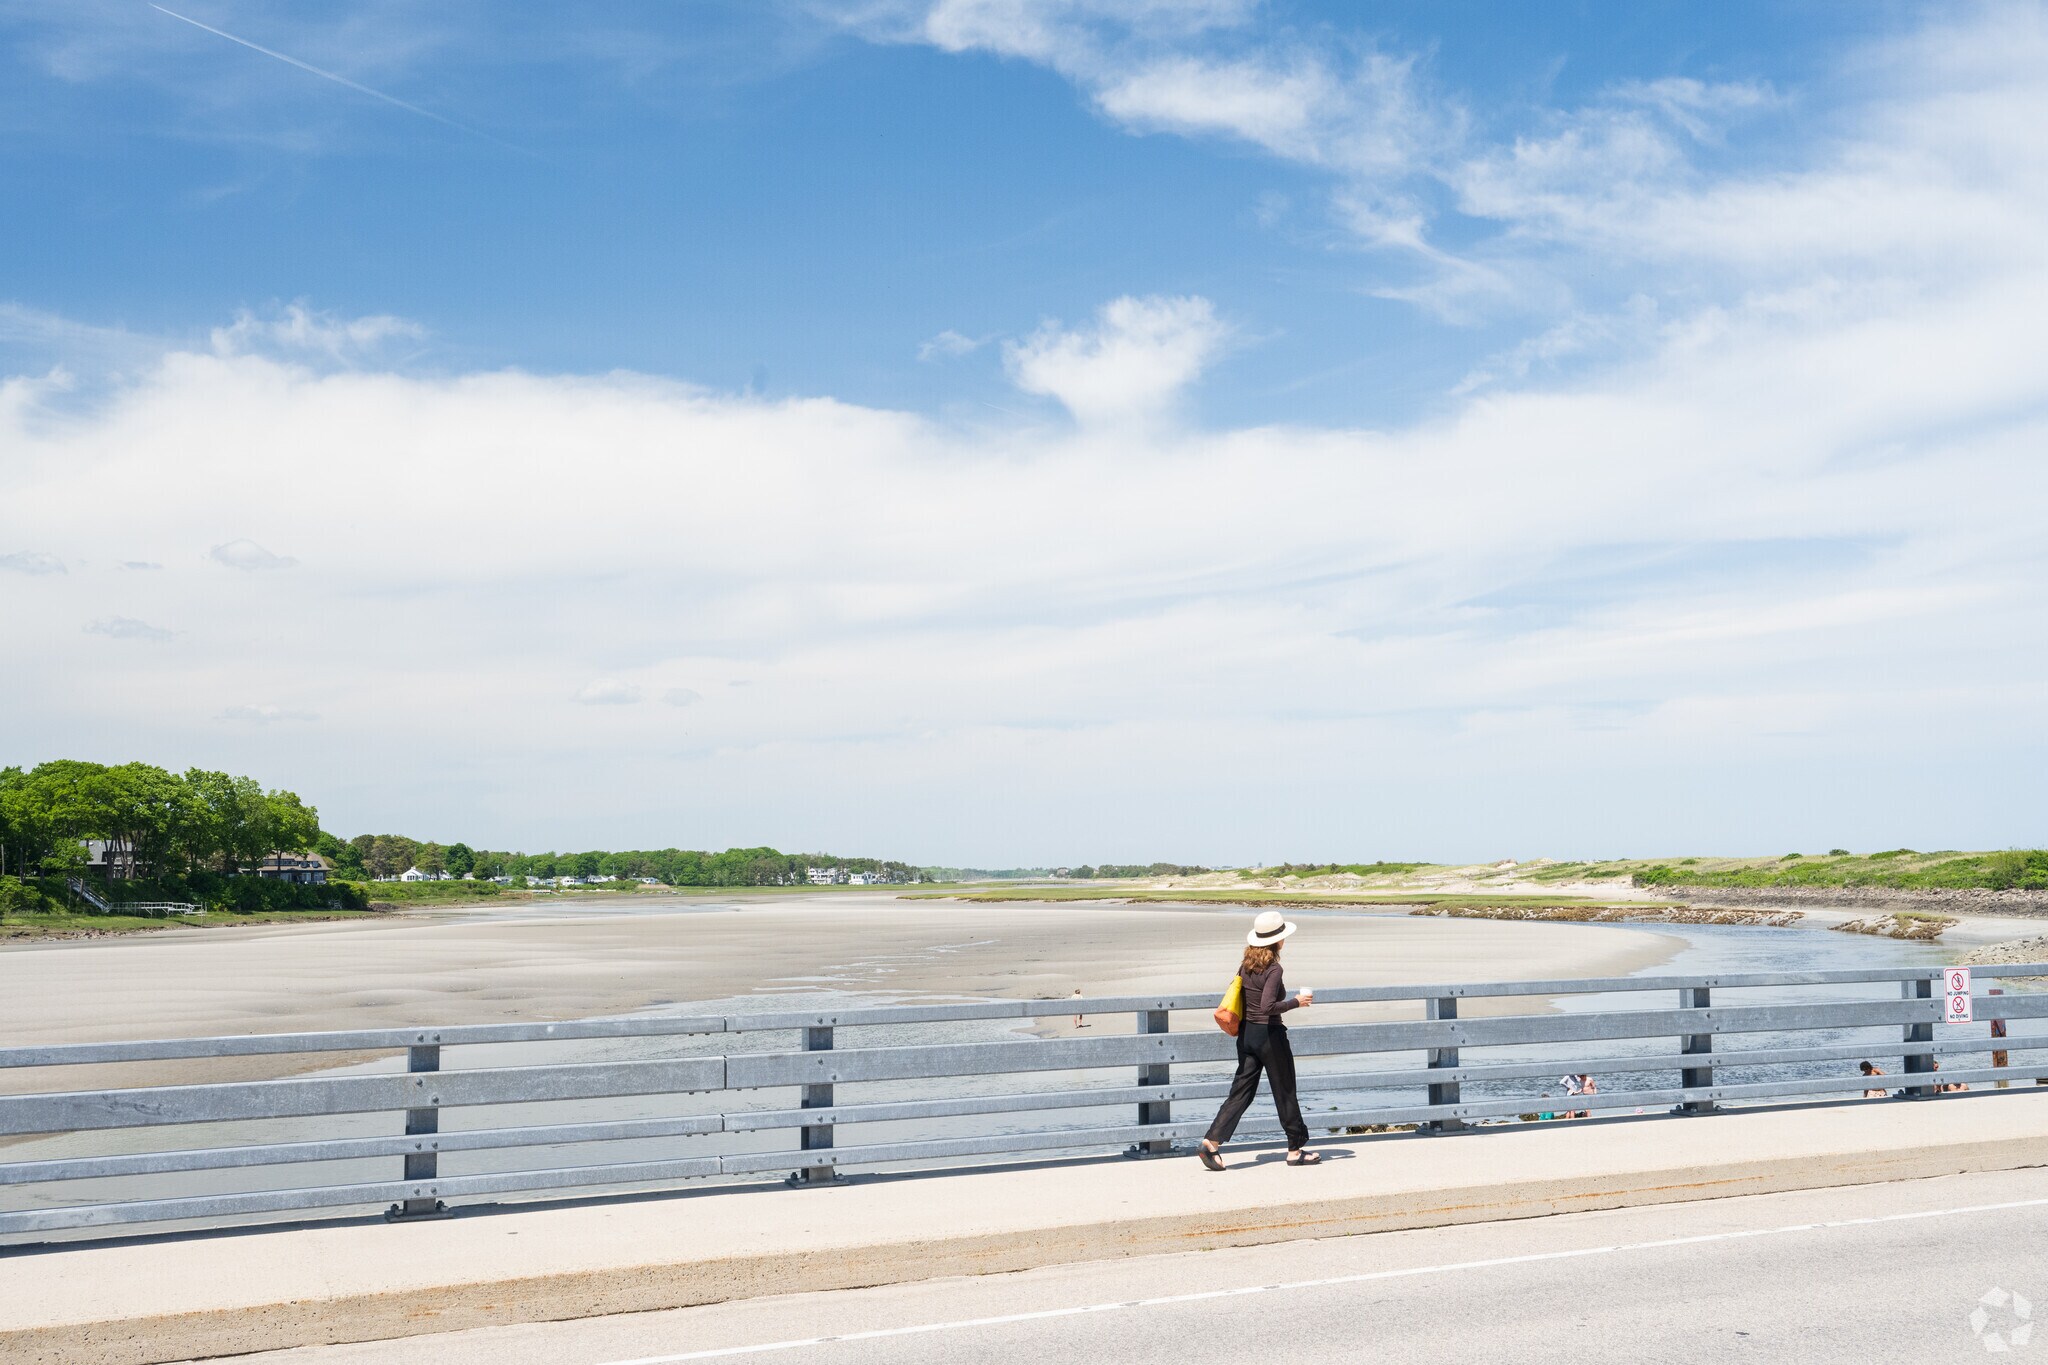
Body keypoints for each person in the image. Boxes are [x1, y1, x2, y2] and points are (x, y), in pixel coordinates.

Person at [1197, 911, 1316, 1170]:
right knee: (1285, 1091)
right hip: (1269, 1036)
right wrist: (1297, 1001)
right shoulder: (1274, 968)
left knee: (1241, 1091)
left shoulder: (1245, 965)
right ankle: (1295, 1150)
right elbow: (1268, 1006)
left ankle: (1211, 1143)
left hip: (1247, 1035)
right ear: (1278, 940)